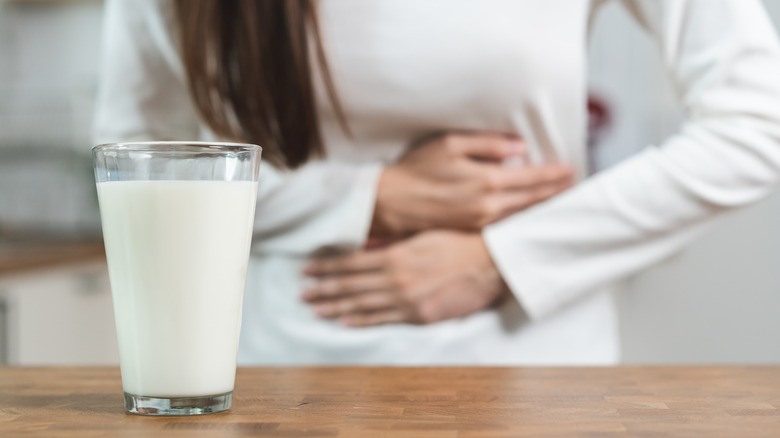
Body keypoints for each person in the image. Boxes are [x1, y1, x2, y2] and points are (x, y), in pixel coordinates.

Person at [94, 0, 780, 365]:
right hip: (283, 379)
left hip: (535, 379)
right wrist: (368, 197)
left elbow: (758, 123)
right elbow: (131, 162)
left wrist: (501, 261)